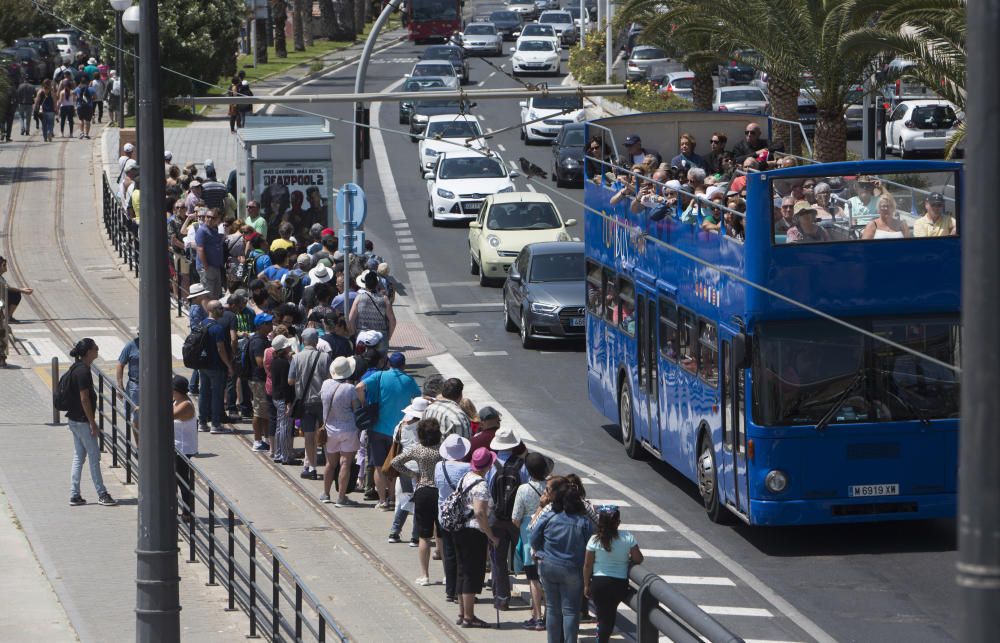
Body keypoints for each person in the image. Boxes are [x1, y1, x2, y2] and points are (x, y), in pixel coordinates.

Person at [530, 477, 594, 643]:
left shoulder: (550, 515)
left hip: (548, 566)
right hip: (573, 568)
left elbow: (534, 539)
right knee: (571, 611)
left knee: (552, 609)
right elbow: (591, 547)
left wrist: (542, 553)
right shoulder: (584, 521)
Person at [65, 339, 117, 507]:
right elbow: (84, 399)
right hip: (82, 421)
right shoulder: (83, 372)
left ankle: (74, 494)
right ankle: (102, 494)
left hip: (73, 420)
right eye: (95, 348)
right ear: (88, 352)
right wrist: (92, 422)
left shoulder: (76, 367)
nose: (98, 350)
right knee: (94, 456)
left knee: (79, 456)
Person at [392, 418, 444, 586]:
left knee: (424, 536)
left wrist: (412, 474)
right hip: (440, 492)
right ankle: (446, 574)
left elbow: (395, 462)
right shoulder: (442, 450)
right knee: (442, 534)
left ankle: (425, 575)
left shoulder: (418, 450)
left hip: (423, 491)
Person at [452, 447, 500, 629]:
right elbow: (480, 513)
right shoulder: (480, 484)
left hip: (459, 529)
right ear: (488, 465)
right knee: (472, 573)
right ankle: (469, 617)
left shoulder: (466, 477)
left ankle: (462, 613)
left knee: (462, 571)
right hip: (473, 532)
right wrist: (491, 536)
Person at [584, 506, 644, 643]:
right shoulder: (627, 537)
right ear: (618, 522)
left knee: (603, 617)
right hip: (618, 586)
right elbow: (638, 559)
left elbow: (587, 565)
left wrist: (586, 585)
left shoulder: (594, 540)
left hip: (598, 584)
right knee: (608, 619)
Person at [513, 452, 553, 631]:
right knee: (547, 580)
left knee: (533, 579)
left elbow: (515, 517)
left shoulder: (523, 489)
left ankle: (537, 617)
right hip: (551, 539)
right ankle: (549, 616)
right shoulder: (552, 487)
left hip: (529, 539)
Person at [320, 355, 363, 506]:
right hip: (348, 429)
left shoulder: (325, 384)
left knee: (330, 464)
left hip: (329, 429)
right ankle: (341, 497)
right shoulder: (350, 388)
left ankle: (325, 493)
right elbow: (356, 407)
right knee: (345, 463)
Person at [288, 328, 330, 480]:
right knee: (325, 434)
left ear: (303, 341)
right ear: (316, 340)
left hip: (305, 401)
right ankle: (330, 466)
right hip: (322, 400)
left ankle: (311, 467)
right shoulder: (325, 357)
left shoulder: (296, 358)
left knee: (309, 437)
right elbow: (330, 377)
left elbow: (290, 380)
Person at [388, 397, 429, 542]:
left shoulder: (401, 425)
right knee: (419, 503)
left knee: (406, 500)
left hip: (404, 467)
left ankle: (394, 531)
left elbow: (395, 441)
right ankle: (415, 537)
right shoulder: (425, 427)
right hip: (421, 468)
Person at [200, 301, 236, 434]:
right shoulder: (218, 328)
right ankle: (215, 424)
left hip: (203, 365)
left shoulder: (202, 324)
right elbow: (221, 349)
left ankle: (203, 422)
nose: (223, 310)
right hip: (216, 367)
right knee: (217, 395)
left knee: (204, 394)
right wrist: (229, 365)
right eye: (221, 308)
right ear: (214, 310)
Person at [269, 335, 299, 465]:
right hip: (283, 398)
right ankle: (286, 456)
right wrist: (288, 402)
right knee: (285, 426)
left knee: (279, 426)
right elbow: (285, 384)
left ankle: (278, 453)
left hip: (276, 397)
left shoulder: (275, 361)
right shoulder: (284, 363)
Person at [172, 375, 198, 522]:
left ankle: (187, 511)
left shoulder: (186, 405)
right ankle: (174, 507)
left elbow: (168, 415)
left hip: (183, 448)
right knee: (174, 479)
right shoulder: (176, 401)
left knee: (182, 480)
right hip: (175, 446)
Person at [349, 270, 395, 352]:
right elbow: (392, 320)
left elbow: (351, 319)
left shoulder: (359, 298)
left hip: (362, 336)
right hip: (381, 335)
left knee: (362, 361)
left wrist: (354, 333)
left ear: (365, 284)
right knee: (381, 362)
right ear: (377, 284)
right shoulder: (384, 299)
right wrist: (388, 336)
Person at [247, 313, 274, 450]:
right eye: (268, 323)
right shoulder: (258, 341)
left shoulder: (263, 338)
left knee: (265, 411)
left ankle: (265, 439)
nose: (271, 325)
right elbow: (259, 362)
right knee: (259, 411)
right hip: (259, 380)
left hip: (262, 380)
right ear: (261, 326)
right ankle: (257, 441)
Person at [195, 208, 225, 299]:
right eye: (208, 217)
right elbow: (200, 249)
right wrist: (206, 266)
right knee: (208, 295)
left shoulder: (214, 230)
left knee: (216, 295)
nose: (210, 219)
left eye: (213, 217)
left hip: (215, 266)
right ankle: (207, 313)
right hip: (207, 267)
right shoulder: (202, 231)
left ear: (218, 219)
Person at [115, 334, 140, 426]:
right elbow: (120, 364)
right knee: (137, 418)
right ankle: (139, 441)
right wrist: (120, 386)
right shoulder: (131, 345)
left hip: (152, 385)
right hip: (135, 386)